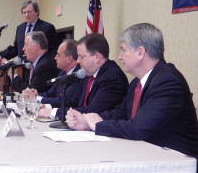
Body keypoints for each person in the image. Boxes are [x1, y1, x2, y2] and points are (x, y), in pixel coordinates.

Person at [66, 23, 198, 165]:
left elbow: (139, 128)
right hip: (145, 154)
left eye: (123, 50)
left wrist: (98, 124)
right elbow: (121, 113)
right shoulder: (137, 82)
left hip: (176, 162)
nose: (120, 56)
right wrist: (87, 121)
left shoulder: (168, 81)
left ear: (140, 52)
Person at [38, 33, 129, 120]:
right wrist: (47, 107)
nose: (77, 61)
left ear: (97, 57)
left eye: (81, 57)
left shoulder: (112, 77)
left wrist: (53, 112)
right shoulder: (88, 73)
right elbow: (74, 102)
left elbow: (92, 112)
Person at [23, 39, 83, 109]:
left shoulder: (78, 76)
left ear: (69, 59)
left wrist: (37, 98)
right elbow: (50, 94)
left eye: (58, 55)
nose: (55, 58)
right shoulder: (63, 73)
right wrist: (36, 94)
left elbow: (65, 101)